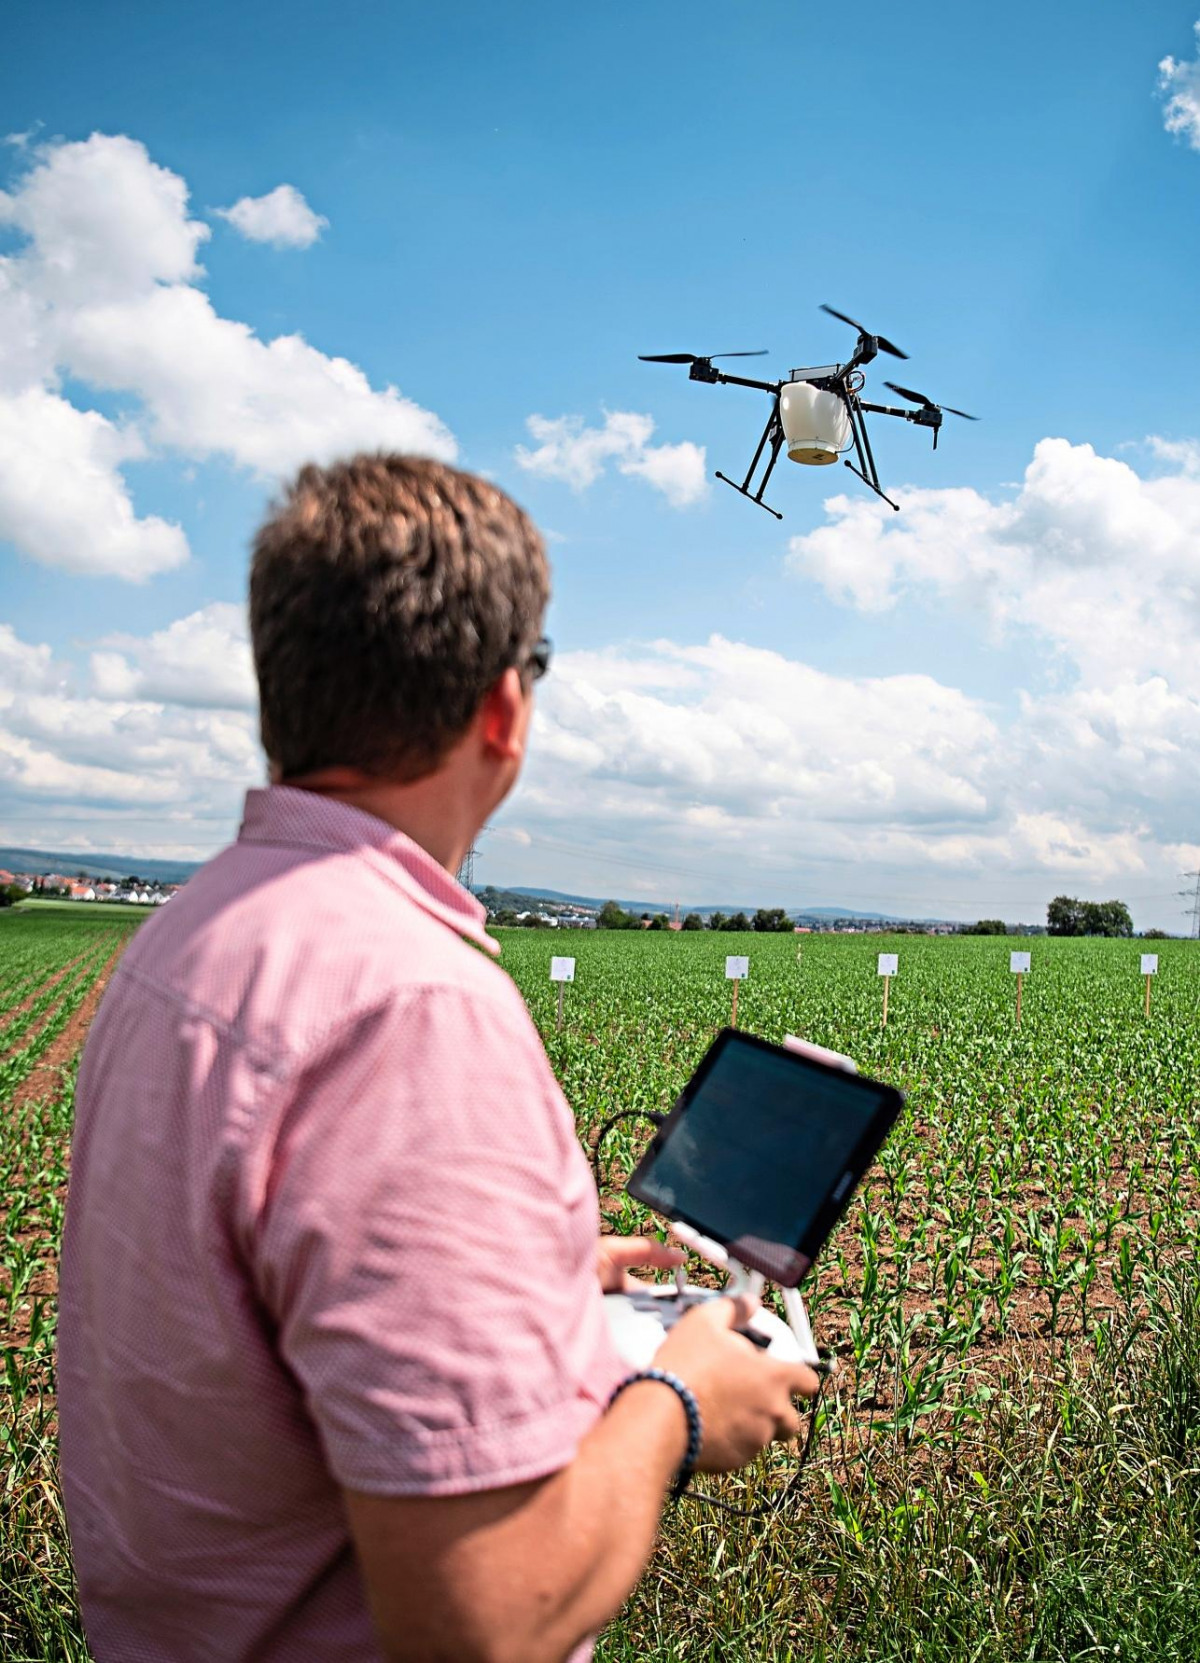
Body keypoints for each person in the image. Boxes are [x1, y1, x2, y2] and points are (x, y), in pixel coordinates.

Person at [57, 455, 818, 1663]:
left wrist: (529, 1280)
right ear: (504, 708)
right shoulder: (410, 1006)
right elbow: (484, 1621)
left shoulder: (187, 934)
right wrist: (675, 1403)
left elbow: (270, 1304)